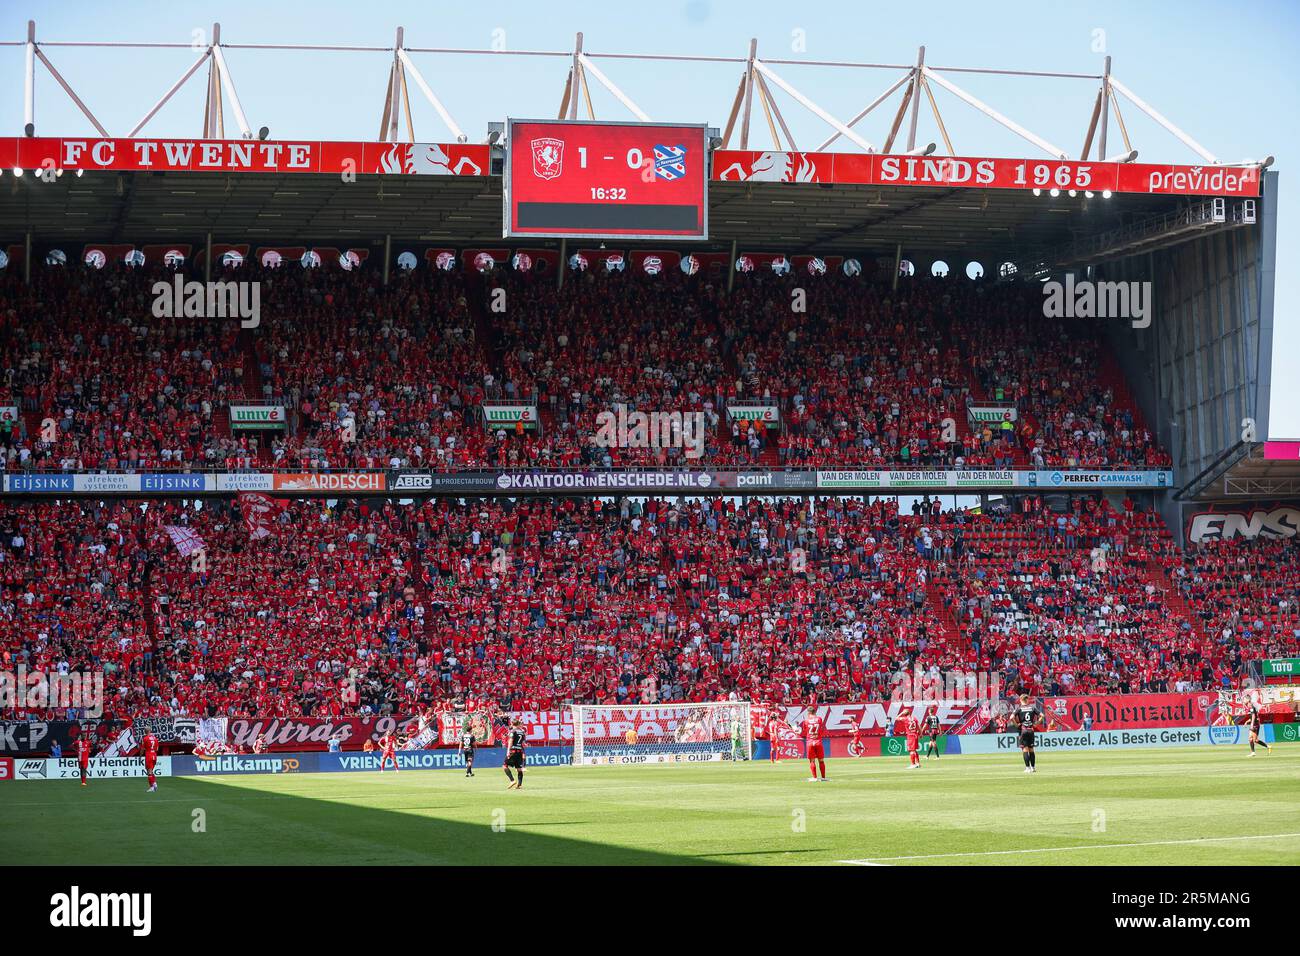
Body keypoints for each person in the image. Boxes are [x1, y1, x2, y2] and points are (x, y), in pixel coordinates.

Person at [1012, 695, 1042, 773]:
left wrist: (1016, 725)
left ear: (1021, 699)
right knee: (1031, 749)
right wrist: (1037, 723)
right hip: (1031, 730)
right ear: (1027, 700)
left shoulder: (1019, 709)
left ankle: (1027, 768)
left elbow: (1011, 717)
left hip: (1024, 730)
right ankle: (1033, 768)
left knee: (1025, 749)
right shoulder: (1032, 708)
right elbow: (1042, 715)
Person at [800, 708, 827, 781]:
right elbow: (821, 728)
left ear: (808, 712)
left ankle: (814, 778)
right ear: (815, 712)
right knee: (821, 760)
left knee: (812, 761)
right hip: (818, 741)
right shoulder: (819, 719)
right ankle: (823, 778)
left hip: (810, 742)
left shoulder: (806, 721)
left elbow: (804, 730)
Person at [503, 719, 526, 790]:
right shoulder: (522, 732)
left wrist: (508, 751)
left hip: (513, 750)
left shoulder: (513, 731)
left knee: (505, 766)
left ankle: (512, 780)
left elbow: (510, 741)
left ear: (512, 724)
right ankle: (519, 785)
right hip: (519, 751)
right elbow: (523, 742)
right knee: (519, 768)